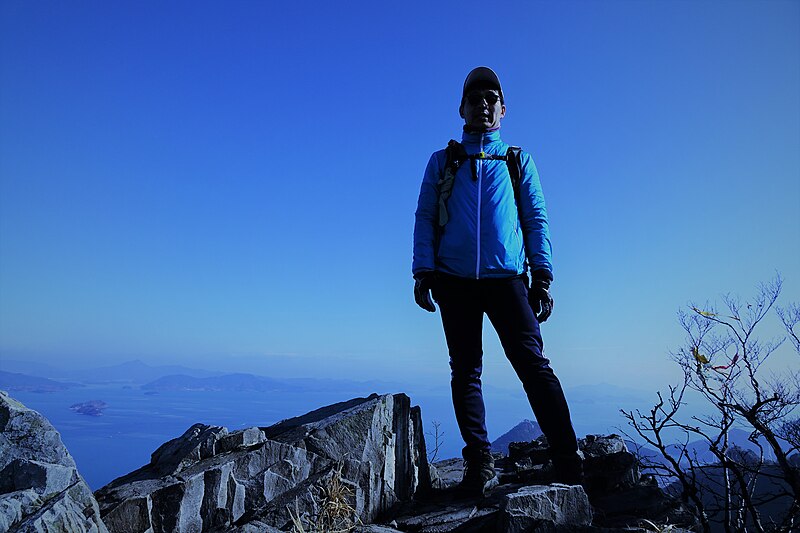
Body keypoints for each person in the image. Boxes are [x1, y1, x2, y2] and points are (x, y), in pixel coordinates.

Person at [412, 67, 583, 496]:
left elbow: (535, 219)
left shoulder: (517, 161)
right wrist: (422, 271)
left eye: (492, 98)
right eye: (475, 98)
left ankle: (566, 457)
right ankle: (480, 464)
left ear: (502, 111)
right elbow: (426, 218)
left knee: (534, 367)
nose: (483, 104)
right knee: (465, 371)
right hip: (453, 281)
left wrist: (542, 276)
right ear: (462, 109)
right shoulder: (444, 160)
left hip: (508, 280)